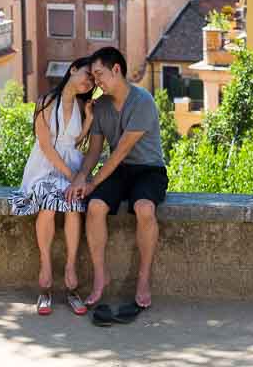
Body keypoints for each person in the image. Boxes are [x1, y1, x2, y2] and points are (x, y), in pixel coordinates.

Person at [66, 46, 167, 311]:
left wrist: (93, 183)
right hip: (119, 171)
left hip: (149, 169)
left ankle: (143, 279)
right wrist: (81, 178)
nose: (95, 81)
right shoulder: (100, 107)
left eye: (99, 74)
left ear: (117, 70)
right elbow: (95, 151)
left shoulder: (143, 101)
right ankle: (101, 275)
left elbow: (121, 150)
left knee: (144, 208)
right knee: (95, 207)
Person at [10, 57, 95, 316]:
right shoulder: (46, 102)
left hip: (70, 163)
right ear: (72, 69)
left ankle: (70, 269)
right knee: (47, 203)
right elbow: (47, 146)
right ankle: (45, 269)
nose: (88, 81)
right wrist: (73, 175)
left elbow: (75, 141)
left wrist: (89, 120)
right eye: (86, 74)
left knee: (71, 204)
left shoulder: (82, 105)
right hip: (45, 165)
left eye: (93, 79)